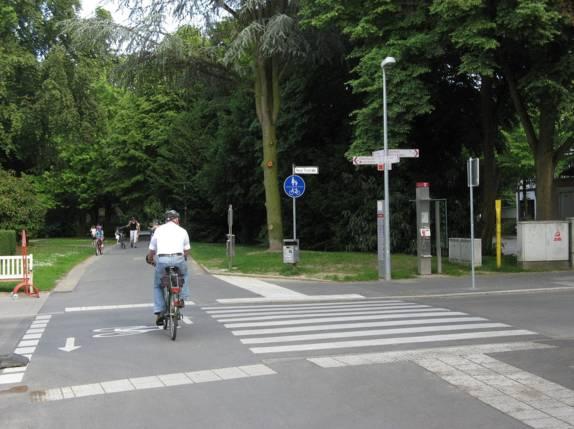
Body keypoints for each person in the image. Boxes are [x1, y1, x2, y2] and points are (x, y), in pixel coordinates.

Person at [146, 210, 190, 325]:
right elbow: (187, 250)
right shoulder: (182, 231)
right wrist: (183, 257)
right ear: (175, 219)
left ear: (167, 219)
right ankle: (181, 299)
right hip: (178, 258)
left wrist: (150, 258)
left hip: (162, 259)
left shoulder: (158, 230)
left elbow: (152, 250)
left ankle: (160, 311)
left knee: (158, 285)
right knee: (184, 274)